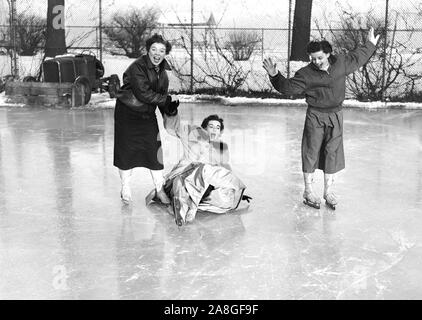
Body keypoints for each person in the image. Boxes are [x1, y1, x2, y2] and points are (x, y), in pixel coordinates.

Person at [263, 27, 380, 210]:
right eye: (313, 58)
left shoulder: (341, 63)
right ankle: (308, 190)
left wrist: (370, 44)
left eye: (320, 57)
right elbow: (287, 87)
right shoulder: (306, 74)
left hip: (335, 114)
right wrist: (274, 75)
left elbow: (358, 58)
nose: (316, 62)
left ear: (328, 54)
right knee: (311, 151)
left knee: (332, 152)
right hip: (315, 116)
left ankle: (328, 191)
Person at [146, 111, 251, 226]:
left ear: (220, 132)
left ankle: (188, 205)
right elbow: (172, 128)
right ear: (204, 128)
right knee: (183, 180)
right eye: (211, 127)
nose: (214, 130)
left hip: (205, 184)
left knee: (210, 173)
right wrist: (172, 114)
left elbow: (225, 170)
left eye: (217, 128)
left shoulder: (221, 149)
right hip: (183, 176)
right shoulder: (192, 135)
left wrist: (234, 191)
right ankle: (183, 207)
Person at [114, 33, 179, 205]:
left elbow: (159, 97)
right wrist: (164, 100)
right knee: (126, 153)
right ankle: (125, 189)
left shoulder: (163, 73)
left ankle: (159, 190)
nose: (157, 54)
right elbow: (143, 93)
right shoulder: (138, 67)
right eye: (154, 49)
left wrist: (168, 108)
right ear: (148, 50)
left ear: (165, 53)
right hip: (127, 114)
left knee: (154, 151)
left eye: (162, 51)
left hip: (146, 115)